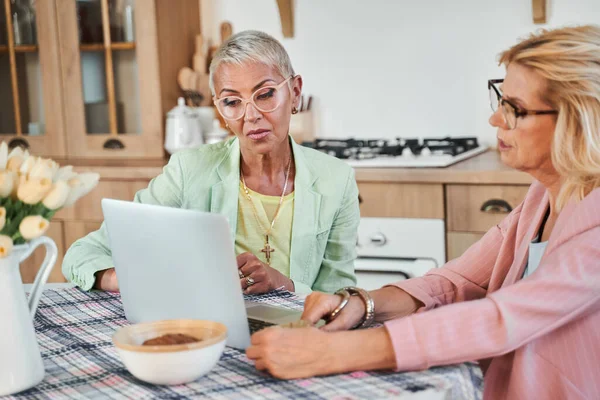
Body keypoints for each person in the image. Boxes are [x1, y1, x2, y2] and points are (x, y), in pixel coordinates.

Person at [246, 25, 600, 399]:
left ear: (579, 121)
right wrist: (362, 304)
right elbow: (454, 281)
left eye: (516, 109)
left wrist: (333, 352)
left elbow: (501, 319)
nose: (496, 120)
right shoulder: (544, 196)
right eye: (500, 99)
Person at [62, 30, 359, 295]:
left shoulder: (336, 180)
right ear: (219, 109)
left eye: (265, 94)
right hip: (209, 332)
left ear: (294, 92)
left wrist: (286, 285)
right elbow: (84, 253)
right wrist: (121, 278)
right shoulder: (187, 172)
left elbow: (339, 296)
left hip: (300, 337)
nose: (251, 115)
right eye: (232, 102)